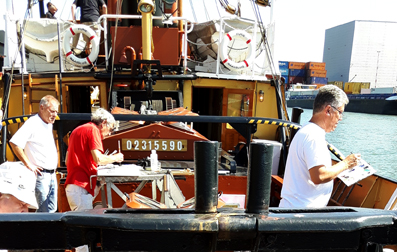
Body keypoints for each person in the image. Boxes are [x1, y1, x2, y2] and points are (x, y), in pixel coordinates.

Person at [279, 85, 361, 208]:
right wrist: (346, 164)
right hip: (301, 216)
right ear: (328, 110)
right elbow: (319, 176)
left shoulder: (306, 131)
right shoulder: (314, 136)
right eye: (340, 112)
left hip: (294, 211)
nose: (340, 118)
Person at [65, 108, 123, 211]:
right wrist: (116, 157)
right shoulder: (93, 130)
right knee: (85, 223)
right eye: (111, 129)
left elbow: (66, 160)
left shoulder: (77, 130)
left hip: (73, 186)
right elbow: (99, 159)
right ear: (104, 123)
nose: (110, 134)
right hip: (82, 186)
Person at [10, 95, 60, 213]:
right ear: (41, 108)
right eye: (52, 111)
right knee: (44, 212)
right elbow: (14, 143)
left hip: (51, 174)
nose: (55, 115)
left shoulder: (47, 123)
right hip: (40, 175)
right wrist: (28, 164)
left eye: (56, 112)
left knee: (51, 210)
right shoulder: (33, 123)